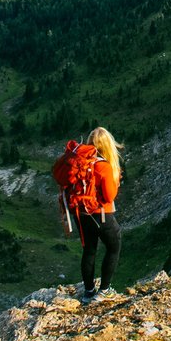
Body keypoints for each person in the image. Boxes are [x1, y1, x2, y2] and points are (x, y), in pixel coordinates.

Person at [53, 126, 122, 302]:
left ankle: (89, 291)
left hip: (80, 213)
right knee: (114, 247)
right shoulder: (103, 166)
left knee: (89, 250)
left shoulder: (80, 161)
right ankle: (105, 290)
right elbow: (109, 196)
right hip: (100, 214)